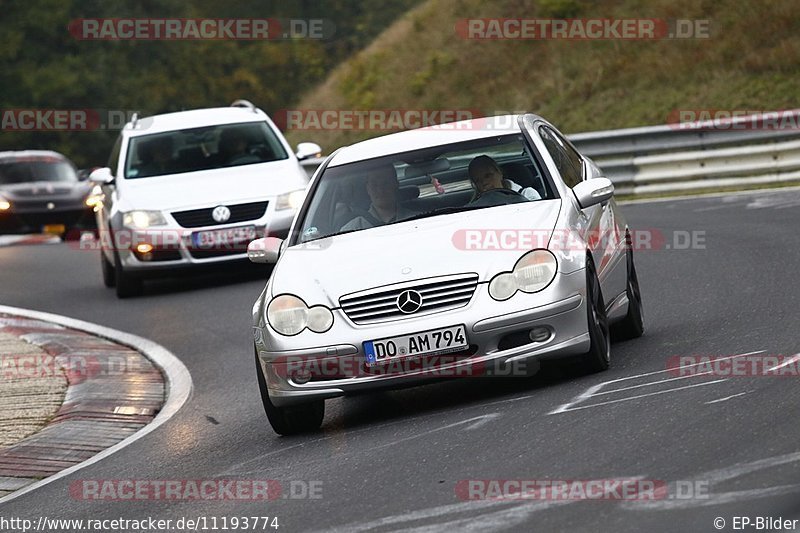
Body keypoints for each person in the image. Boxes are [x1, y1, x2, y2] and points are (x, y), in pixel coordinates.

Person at [340, 167, 416, 231]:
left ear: (396, 185)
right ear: (368, 189)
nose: (380, 190)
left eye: (385, 183)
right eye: (374, 184)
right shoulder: (351, 230)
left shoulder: (417, 221)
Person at [467, 155, 540, 204]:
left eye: (488, 176)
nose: (484, 182)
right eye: (477, 180)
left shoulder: (527, 194)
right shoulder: (474, 207)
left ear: (499, 173)